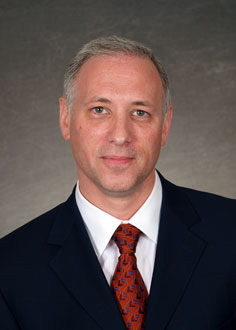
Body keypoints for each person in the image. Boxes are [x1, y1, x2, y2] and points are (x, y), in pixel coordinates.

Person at [0, 36, 235, 330]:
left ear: (165, 125)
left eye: (140, 112)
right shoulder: (8, 270)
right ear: (65, 117)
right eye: (100, 109)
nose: (121, 135)